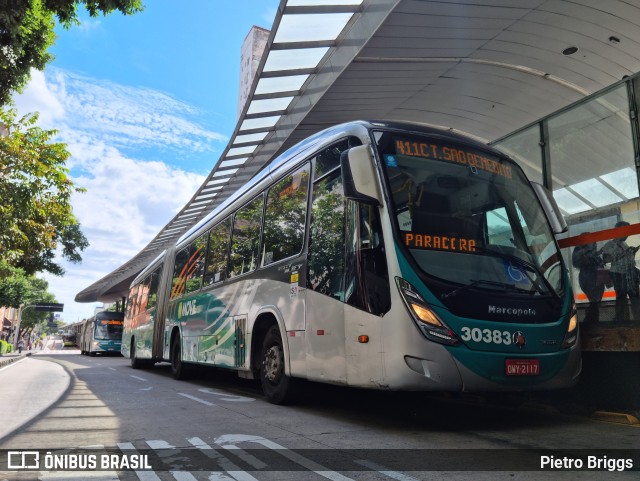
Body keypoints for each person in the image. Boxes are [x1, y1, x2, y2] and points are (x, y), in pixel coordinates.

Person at [602, 221, 640, 322]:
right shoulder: (610, 244)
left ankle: (637, 319)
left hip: (629, 274)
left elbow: (627, 259)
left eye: (628, 231)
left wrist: (632, 252)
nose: (627, 234)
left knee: (635, 298)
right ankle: (620, 321)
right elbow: (605, 259)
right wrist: (624, 254)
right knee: (621, 299)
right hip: (619, 275)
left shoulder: (624, 244)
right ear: (618, 231)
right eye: (625, 231)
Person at [572, 241, 606, 322]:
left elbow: (600, 262)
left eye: (595, 242)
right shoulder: (581, 252)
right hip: (589, 280)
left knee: (595, 304)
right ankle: (589, 324)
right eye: (593, 242)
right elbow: (577, 262)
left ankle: (591, 324)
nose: (595, 244)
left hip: (597, 281)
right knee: (594, 304)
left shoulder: (593, 254)